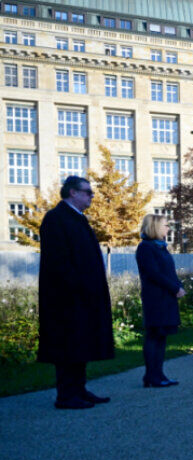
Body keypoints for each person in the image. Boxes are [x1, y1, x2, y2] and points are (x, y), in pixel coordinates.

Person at [37, 175, 114, 408]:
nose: (91, 196)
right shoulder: (56, 219)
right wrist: (77, 287)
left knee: (81, 343)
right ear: (72, 192)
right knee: (68, 344)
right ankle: (66, 395)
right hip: (66, 298)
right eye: (88, 192)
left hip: (83, 296)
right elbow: (58, 261)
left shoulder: (78, 219)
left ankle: (79, 389)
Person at [135, 214, 185, 387]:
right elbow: (153, 273)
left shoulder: (160, 247)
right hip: (156, 298)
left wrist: (178, 285)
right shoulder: (146, 248)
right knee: (154, 335)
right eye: (165, 225)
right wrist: (174, 287)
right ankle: (151, 376)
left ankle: (159, 374)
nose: (168, 228)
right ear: (155, 227)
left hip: (166, 297)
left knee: (161, 336)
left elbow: (169, 271)